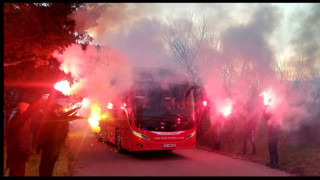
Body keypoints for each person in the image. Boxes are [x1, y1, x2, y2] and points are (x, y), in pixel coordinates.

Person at [33, 91, 82, 176]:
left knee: (49, 163)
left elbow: (65, 115)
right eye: (59, 109)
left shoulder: (53, 116)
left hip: (53, 145)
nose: (60, 110)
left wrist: (76, 109)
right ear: (55, 109)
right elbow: (65, 117)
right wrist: (77, 116)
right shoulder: (52, 117)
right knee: (46, 164)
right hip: (50, 145)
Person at [5, 102, 31, 176]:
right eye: (27, 109)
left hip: (20, 152)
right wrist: (40, 102)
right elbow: (20, 138)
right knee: (16, 172)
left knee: (20, 172)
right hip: (17, 152)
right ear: (23, 109)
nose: (28, 111)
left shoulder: (21, 119)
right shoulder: (17, 119)